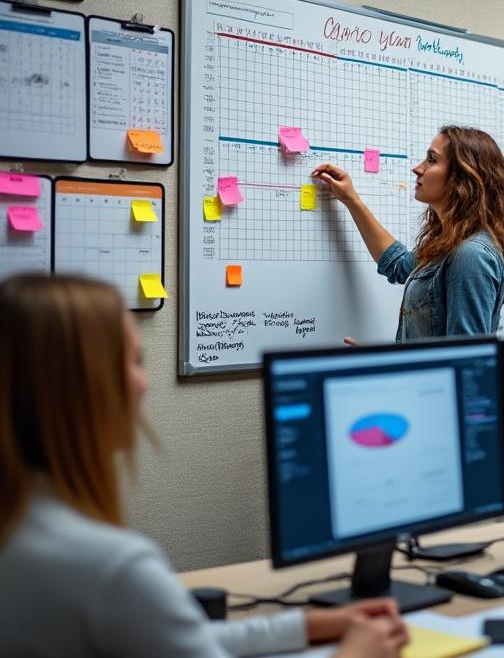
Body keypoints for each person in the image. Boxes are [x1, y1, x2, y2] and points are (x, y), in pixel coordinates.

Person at [0, 274, 407, 658]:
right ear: (85, 386)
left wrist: (306, 625)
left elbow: (168, 638)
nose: (145, 383)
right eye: (136, 361)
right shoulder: (111, 567)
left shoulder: (23, 531)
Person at [313, 125, 504, 341]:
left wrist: (386, 370)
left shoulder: (471, 255)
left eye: (432, 160)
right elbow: (398, 265)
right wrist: (350, 199)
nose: (417, 168)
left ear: (463, 176)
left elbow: (464, 363)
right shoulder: (450, 244)